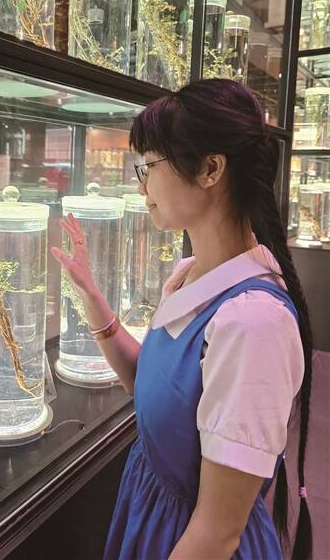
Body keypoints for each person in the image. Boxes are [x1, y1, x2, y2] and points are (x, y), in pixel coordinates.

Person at [52, 79, 312, 560]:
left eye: (149, 166)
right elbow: (152, 385)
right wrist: (91, 295)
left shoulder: (251, 324)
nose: (141, 185)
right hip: (154, 516)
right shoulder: (190, 274)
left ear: (211, 168)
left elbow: (218, 532)